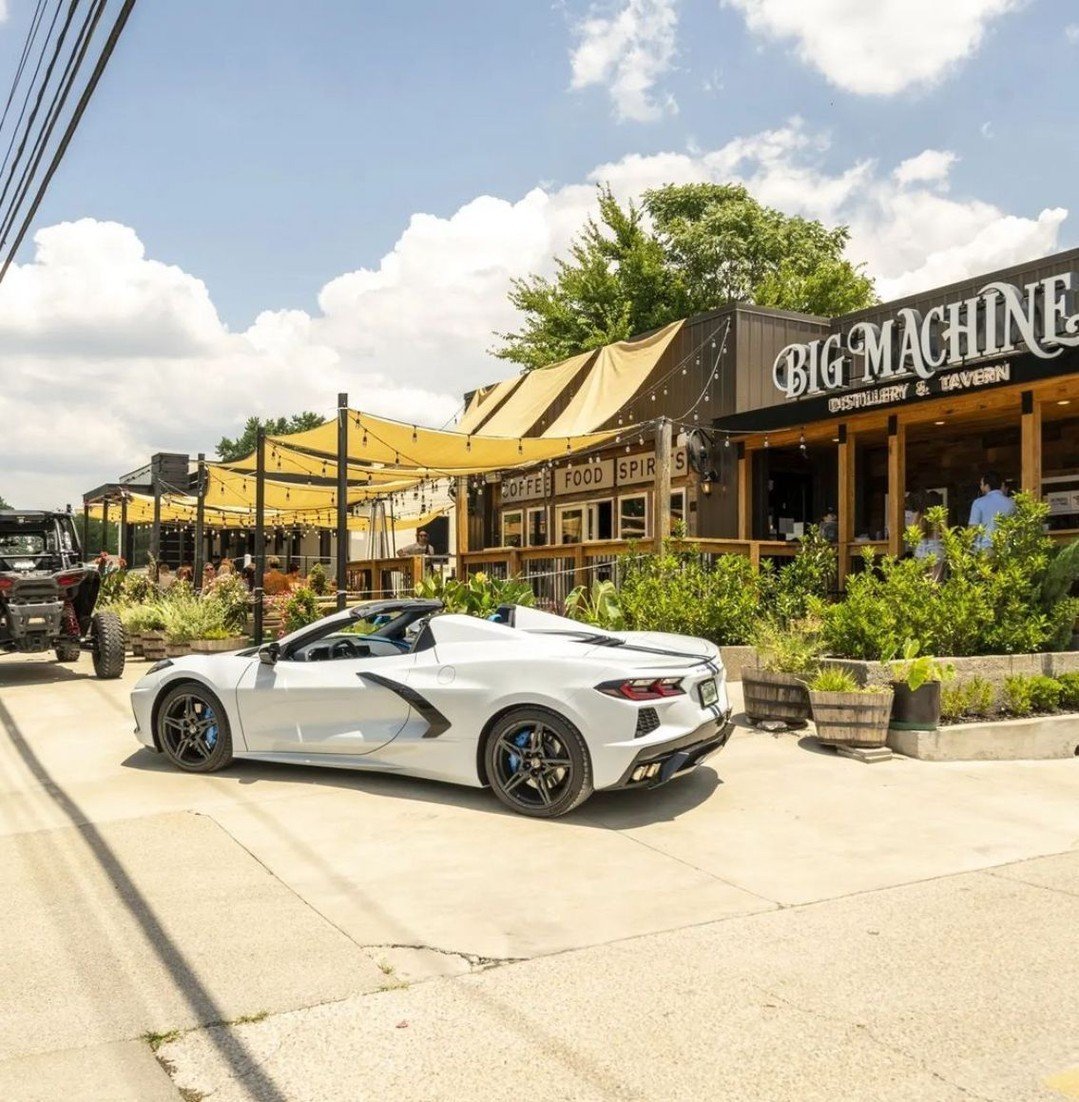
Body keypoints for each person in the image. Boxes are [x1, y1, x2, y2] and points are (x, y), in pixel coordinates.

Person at [969, 470, 1016, 550]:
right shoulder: (1012, 504)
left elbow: (973, 529)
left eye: (981, 484)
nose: (981, 487)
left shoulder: (978, 503)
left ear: (987, 486)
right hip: (1005, 550)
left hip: (983, 550)